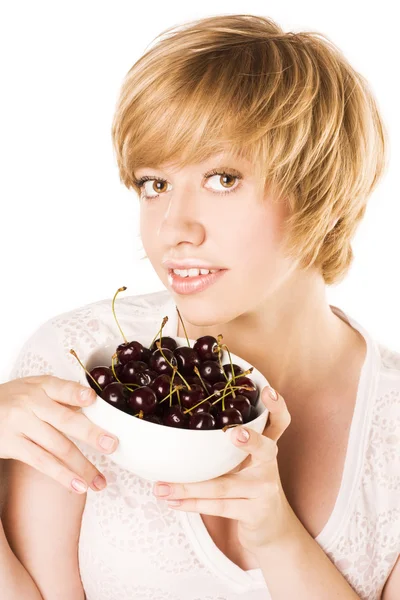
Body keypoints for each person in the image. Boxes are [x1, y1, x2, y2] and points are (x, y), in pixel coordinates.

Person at [0, 12, 399, 600]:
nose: (173, 228)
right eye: (154, 183)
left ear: (325, 191)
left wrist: (278, 536)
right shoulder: (73, 364)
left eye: (223, 179)